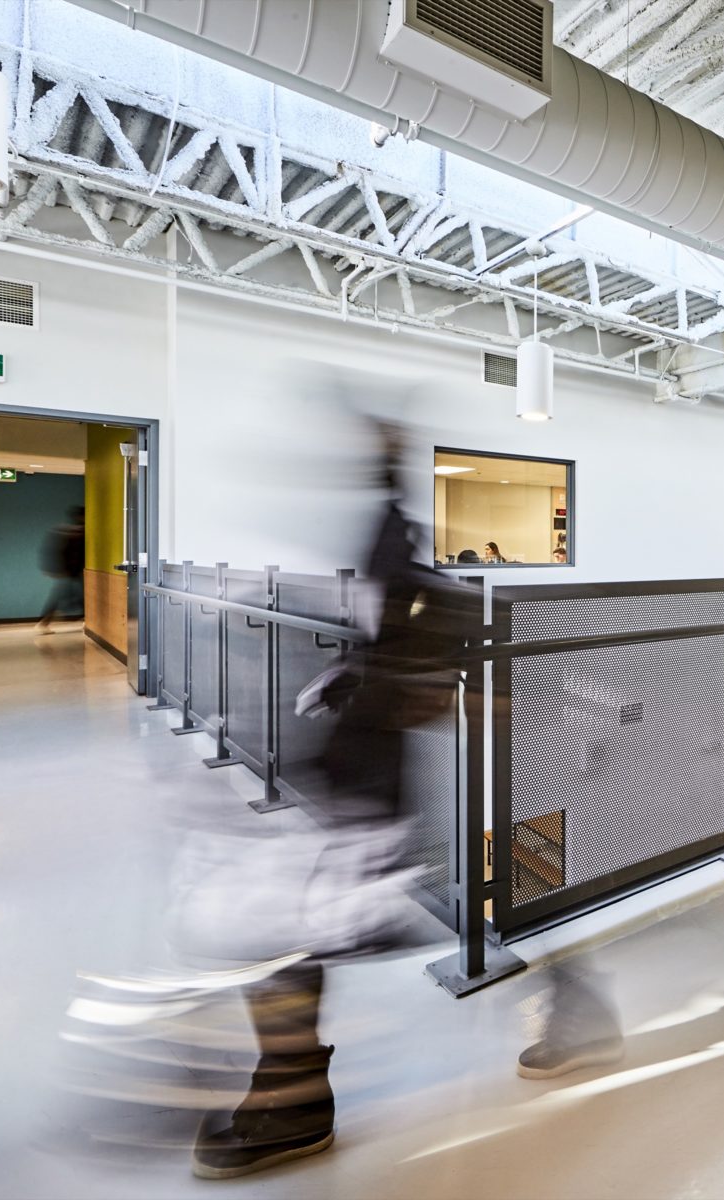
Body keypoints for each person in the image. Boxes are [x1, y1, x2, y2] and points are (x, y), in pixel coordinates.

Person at [188, 424, 476, 1180]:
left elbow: (428, 650)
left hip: (373, 803)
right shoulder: (394, 558)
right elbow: (396, 638)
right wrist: (354, 677)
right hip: (353, 787)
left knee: (276, 937)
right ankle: (290, 1091)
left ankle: (294, 1098)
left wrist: (387, 684)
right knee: (272, 932)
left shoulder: (405, 560)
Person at [36, 506, 86, 633]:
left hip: (70, 571)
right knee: (67, 596)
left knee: (68, 596)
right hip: (72, 571)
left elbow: (50, 550)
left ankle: (44, 623)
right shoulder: (78, 532)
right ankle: (44, 624)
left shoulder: (66, 530)